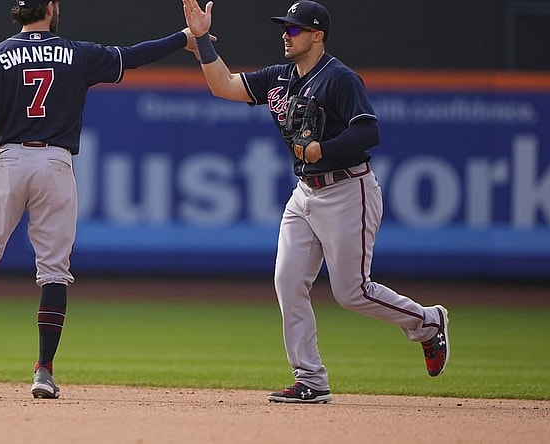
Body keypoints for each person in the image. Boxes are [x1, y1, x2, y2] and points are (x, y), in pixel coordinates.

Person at [0, 0, 198, 399]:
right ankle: (43, 372)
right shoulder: (77, 53)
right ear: (50, 8)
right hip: (55, 162)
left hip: (9, 160)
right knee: (53, 270)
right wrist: (184, 38)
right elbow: (132, 57)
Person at [182, 0, 450, 403]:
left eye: (294, 29)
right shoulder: (279, 79)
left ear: (317, 34)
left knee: (352, 292)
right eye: (285, 28)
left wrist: (321, 149)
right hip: (304, 193)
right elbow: (223, 85)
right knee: (287, 281)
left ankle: (428, 322)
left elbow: (368, 132)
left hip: (348, 189)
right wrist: (202, 40)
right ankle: (310, 378)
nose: (285, 35)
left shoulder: (340, 79)